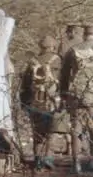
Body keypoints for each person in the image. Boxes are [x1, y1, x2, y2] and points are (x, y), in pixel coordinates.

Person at [59, 25, 93, 169]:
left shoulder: (72, 50)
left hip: (76, 96)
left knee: (76, 129)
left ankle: (76, 163)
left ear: (84, 35)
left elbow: (64, 75)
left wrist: (63, 94)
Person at [20, 35, 64, 169]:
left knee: (37, 131)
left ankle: (38, 160)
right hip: (52, 101)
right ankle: (48, 158)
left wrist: (24, 102)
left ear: (40, 46)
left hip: (35, 100)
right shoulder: (58, 60)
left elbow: (25, 84)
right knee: (51, 130)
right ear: (53, 46)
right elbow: (64, 80)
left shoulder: (33, 61)